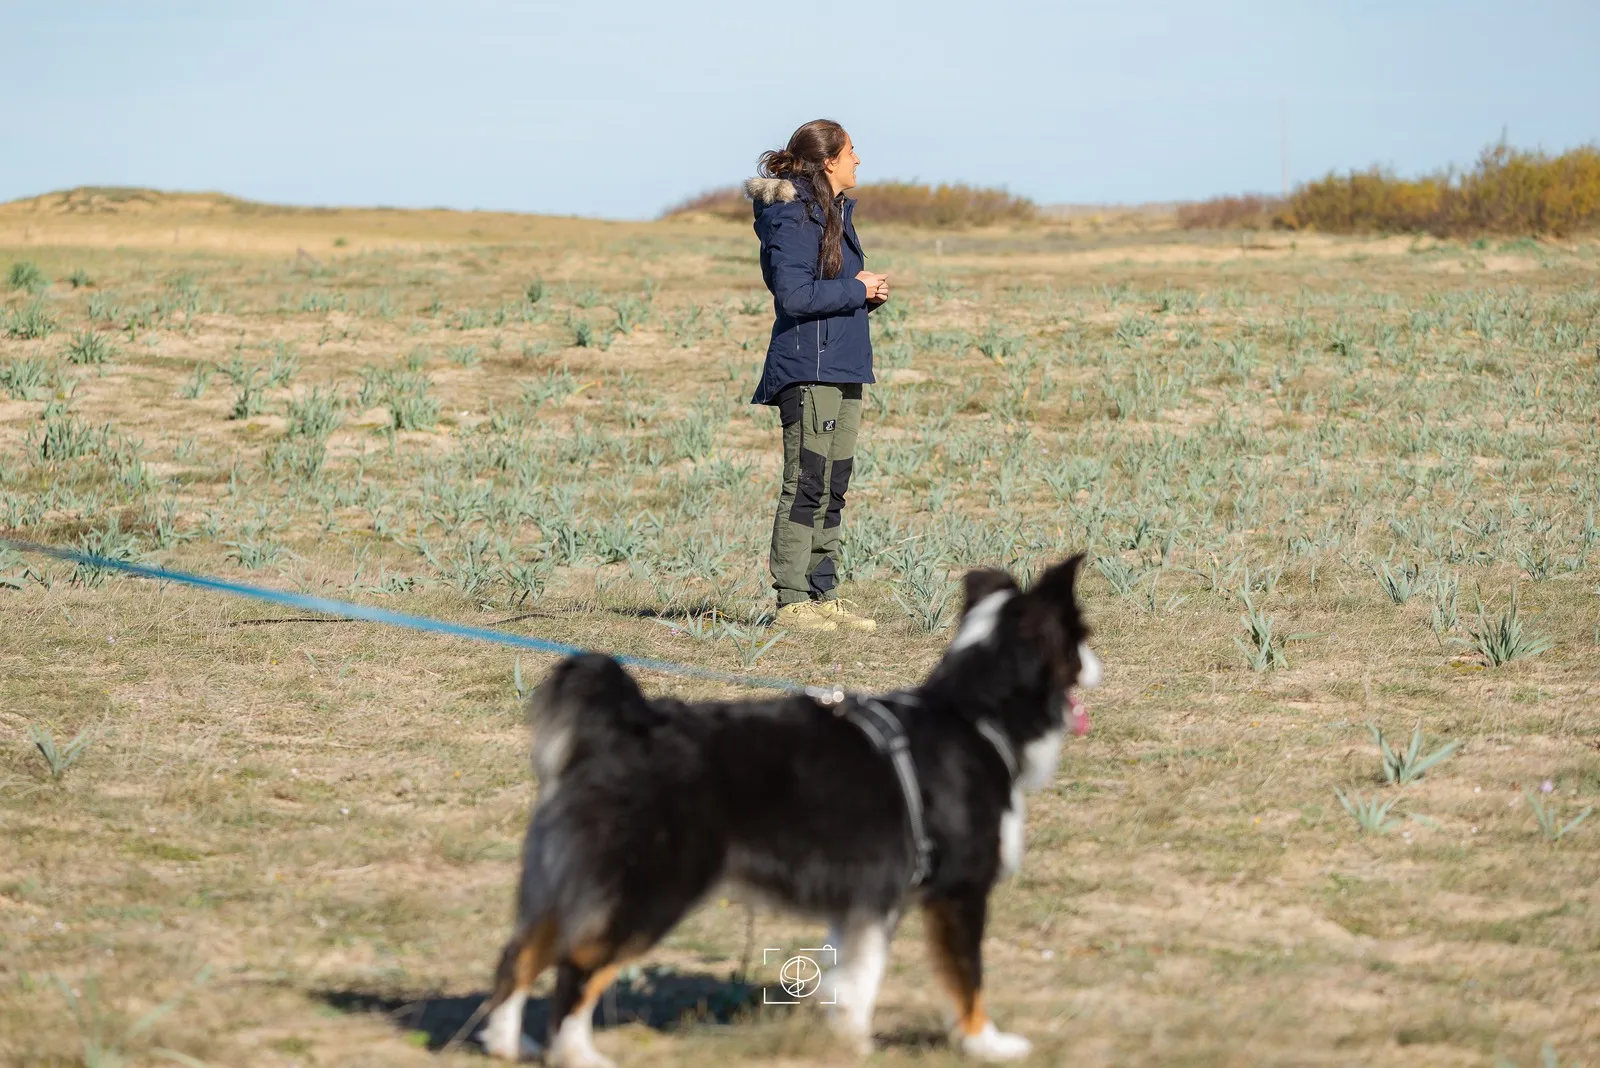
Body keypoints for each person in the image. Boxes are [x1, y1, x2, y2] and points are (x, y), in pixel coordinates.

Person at [745, 119, 888, 633]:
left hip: (844, 366)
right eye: (851, 151)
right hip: (809, 371)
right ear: (829, 161)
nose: (858, 160)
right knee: (806, 481)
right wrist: (856, 289)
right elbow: (794, 296)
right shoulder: (793, 214)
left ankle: (822, 594)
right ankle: (791, 601)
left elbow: (829, 290)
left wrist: (866, 295)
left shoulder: (833, 211)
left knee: (833, 483)